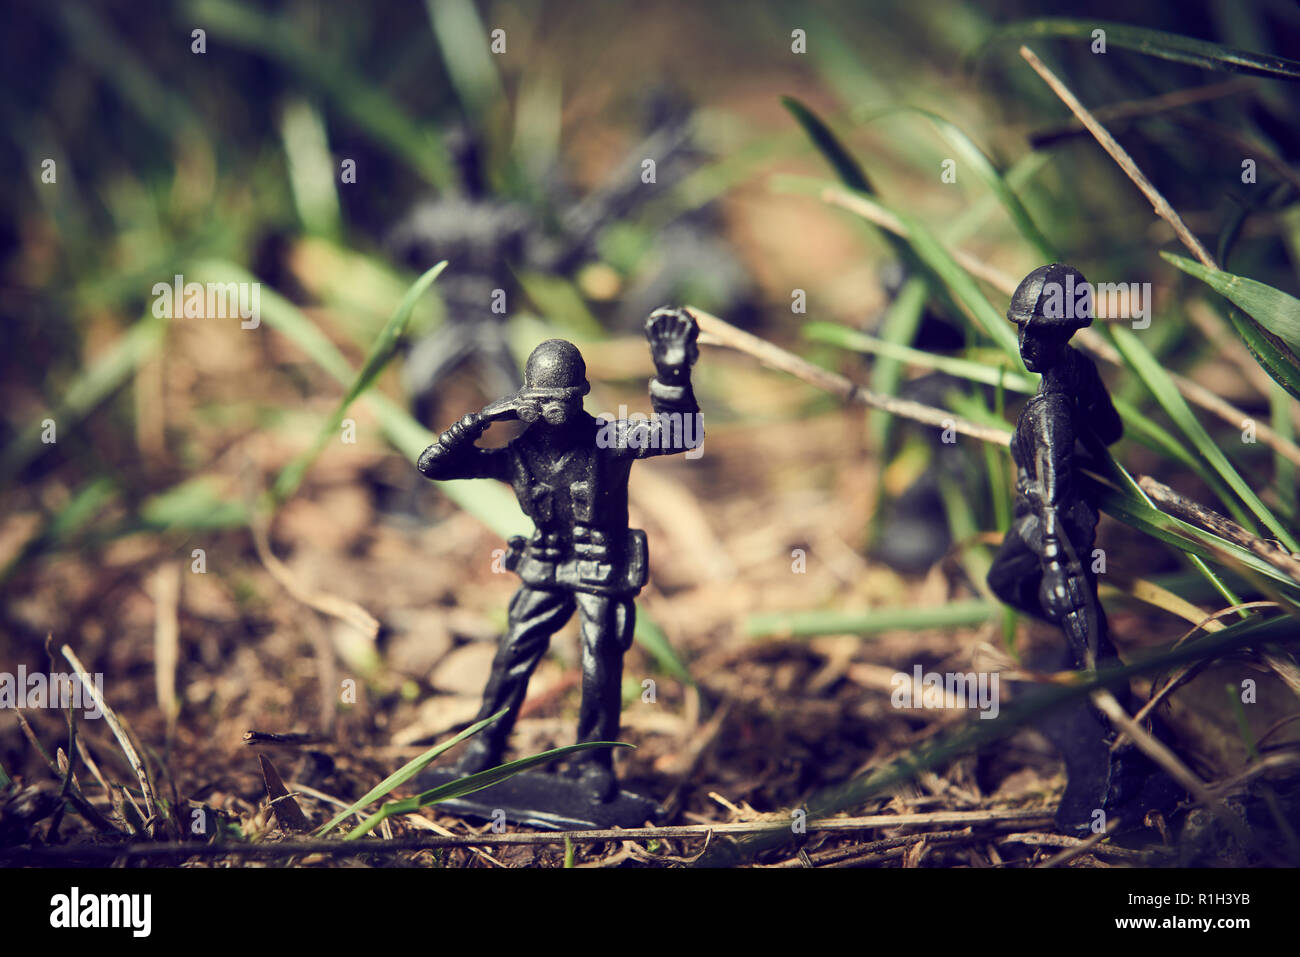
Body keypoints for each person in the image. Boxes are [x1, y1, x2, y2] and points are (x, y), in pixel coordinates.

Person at [418, 308, 702, 802]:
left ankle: (593, 762)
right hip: (546, 568)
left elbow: (680, 436)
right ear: (525, 400)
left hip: (602, 569)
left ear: (581, 397)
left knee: (601, 662)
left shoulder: (610, 441)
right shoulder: (519, 453)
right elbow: (434, 466)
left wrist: (672, 376)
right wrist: (482, 418)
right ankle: (485, 746)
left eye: (562, 401)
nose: (552, 412)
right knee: (512, 654)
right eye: (541, 401)